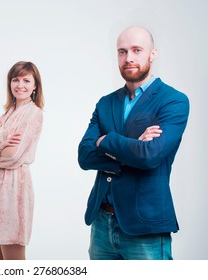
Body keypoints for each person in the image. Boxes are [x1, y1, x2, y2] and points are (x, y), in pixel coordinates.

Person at [78, 26, 189, 260]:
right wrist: (132, 147)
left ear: (152, 53)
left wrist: (106, 140)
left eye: (137, 50)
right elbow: (85, 155)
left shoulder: (174, 101)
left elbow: (150, 156)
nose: (128, 58)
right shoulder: (105, 103)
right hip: (101, 223)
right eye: (122, 51)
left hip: (144, 226)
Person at [0, 61, 44, 260]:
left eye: (26, 80)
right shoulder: (6, 114)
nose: (20, 85)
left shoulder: (34, 114)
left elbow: (13, 156)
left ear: (35, 86)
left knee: (12, 257)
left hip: (15, 186)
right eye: (15, 79)